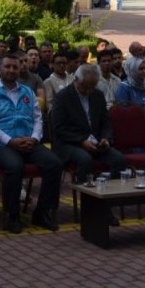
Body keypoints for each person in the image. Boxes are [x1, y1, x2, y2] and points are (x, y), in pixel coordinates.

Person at [0, 54, 63, 234]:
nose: (11, 70)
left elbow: (38, 119)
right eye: (7, 67)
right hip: (0, 145)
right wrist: (10, 141)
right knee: (15, 166)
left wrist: (34, 138)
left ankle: (42, 212)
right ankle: (12, 215)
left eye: (14, 67)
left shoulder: (28, 92)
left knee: (54, 163)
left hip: (28, 141)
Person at [51, 64, 128, 194]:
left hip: (95, 141)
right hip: (70, 143)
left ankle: (105, 191)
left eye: (92, 87)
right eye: (85, 87)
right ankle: (88, 199)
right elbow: (59, 128)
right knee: (85, 159)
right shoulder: (62, 97)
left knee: (119, 160)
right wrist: (81, 141)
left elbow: (106, 122)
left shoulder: (97, 95)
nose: (88, 91)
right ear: (76, 79)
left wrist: (105, 138)